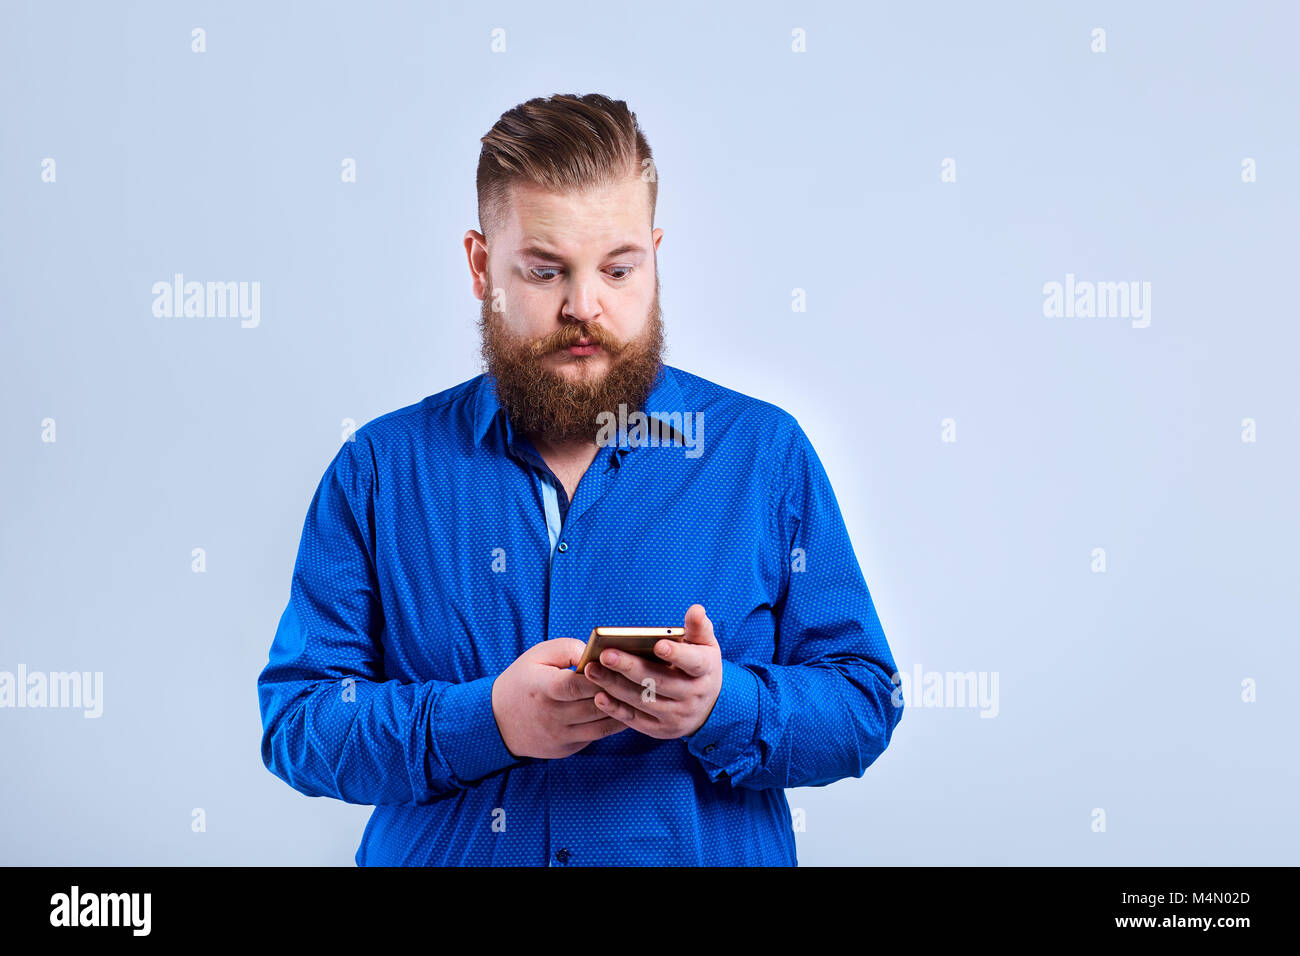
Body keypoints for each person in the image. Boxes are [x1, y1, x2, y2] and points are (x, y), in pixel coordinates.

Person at [257, 92, 902, 866]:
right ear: (480, 264)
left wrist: (722, 705)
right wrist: (485, 721)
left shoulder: (763, 455)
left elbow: (865, 702)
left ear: (655, 256)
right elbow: (299, 721)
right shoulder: (378, 470)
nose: (584, 306)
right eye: (545, 270)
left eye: (619, 268)